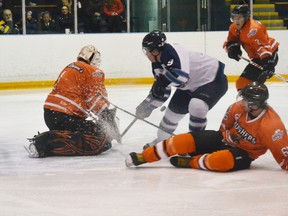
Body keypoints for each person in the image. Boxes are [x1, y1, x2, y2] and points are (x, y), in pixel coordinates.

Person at [126, 82, 288, 172]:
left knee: (221, 160)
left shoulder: (272, 127)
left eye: (245, 100)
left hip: (244, 154)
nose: (241, 101)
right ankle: (144, 157)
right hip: (223, 140)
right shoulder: (237, 107)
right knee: (183, 140)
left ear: (253, 105)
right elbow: (223, 129)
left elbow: (285, 159)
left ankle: (191, 162)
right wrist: (221, 140)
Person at [136, 30, 228, 149]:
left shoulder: (173, 52)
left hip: (213, 80)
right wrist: (148, 105)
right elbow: (162, 90)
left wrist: (163, 82)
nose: (146, 54)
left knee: (197, 106)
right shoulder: (156, 64)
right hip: (190, 86)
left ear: (155, 51)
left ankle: (196, 143)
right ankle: (162, 140)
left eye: (147, 51)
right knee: (171, 115)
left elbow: (181, 77)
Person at [25, 45, 121, 158]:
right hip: (66, 116)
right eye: (97, 60)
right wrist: (107, 118)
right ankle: (44, 142)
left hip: (51, 115)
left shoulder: (71, 66)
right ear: (92, 59)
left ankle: (52, 138)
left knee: (93, 133)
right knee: (100, 140)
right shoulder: (94, 71)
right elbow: (95, 98)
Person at [223, 4, 279, 91]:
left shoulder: (254, 29)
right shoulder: (233, 27)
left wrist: (269, 63)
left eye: (239, 17)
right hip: (256, 58)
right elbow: (231, 41)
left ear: (246, 18)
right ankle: (248, 103)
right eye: (234, 17)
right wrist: (232, 48)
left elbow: (263, 47)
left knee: (253, 87)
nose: (236, 20)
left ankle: (258, 103)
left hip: (269, 55)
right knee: (241, 84)